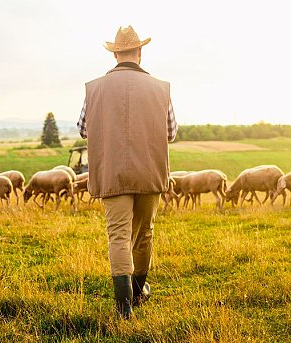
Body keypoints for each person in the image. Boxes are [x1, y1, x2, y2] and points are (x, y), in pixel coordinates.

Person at [77, 26, 177, 319]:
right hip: (149, 172)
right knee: (144, 233)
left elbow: (83, 129)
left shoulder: (94, 88)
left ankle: (124, 308)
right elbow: (170, 132)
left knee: (118, 235)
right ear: (140, 52)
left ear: (115, 54)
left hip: (112, 174)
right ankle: (138, 289)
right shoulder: (160, 88)